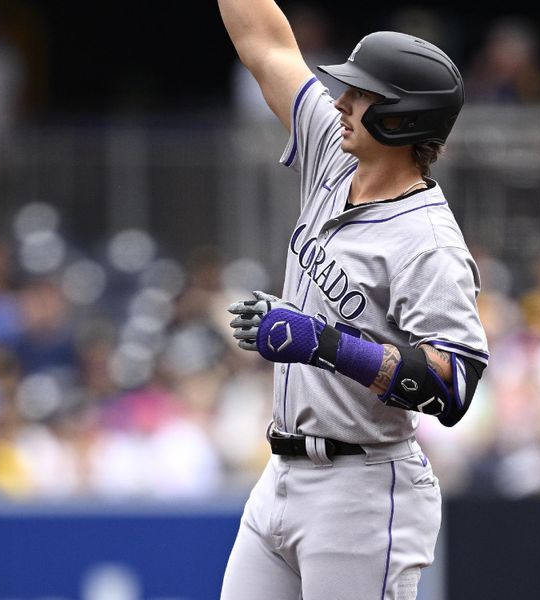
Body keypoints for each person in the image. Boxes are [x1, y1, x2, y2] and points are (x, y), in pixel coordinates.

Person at [217, 1, 490, 598]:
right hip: (281, 474)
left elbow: (455, 382)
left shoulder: (429, 242)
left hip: (364, 490)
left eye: (361, 95)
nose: (340, 101)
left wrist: (323, 345)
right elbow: (267, 46)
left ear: (400, 118)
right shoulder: (334, 154)